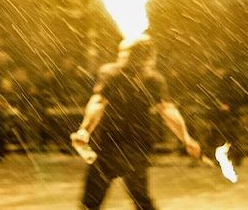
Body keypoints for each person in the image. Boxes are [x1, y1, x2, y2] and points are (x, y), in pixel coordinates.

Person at [71, 33, 201, 210]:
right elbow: (167, 110)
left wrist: (85, 129)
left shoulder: (114, 73)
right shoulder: (150, 78)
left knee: (92, 203)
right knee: (140, 201)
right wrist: (185, 138)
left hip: (113, 145)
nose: (120, 55)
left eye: (123, 51)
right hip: (131, 146)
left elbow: (98, 102)